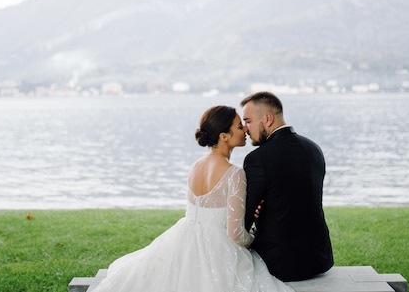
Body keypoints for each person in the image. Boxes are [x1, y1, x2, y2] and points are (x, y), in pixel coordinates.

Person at [89, 105, 294, 292]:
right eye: (240, 126)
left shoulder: (196, 166)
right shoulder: (234, 174)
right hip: (218, 249)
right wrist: (252, 238)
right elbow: (234, 234)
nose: (245, 130)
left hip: (184, 239)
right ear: (224, 136)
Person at [241, 91, 334, 281]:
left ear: (267, 118)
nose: (245, 129)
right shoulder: (314, 148)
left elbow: (244, 218)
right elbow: (293, 197)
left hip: (279, 262)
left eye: (248, 121)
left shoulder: (258, 159)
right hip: (318, 258)